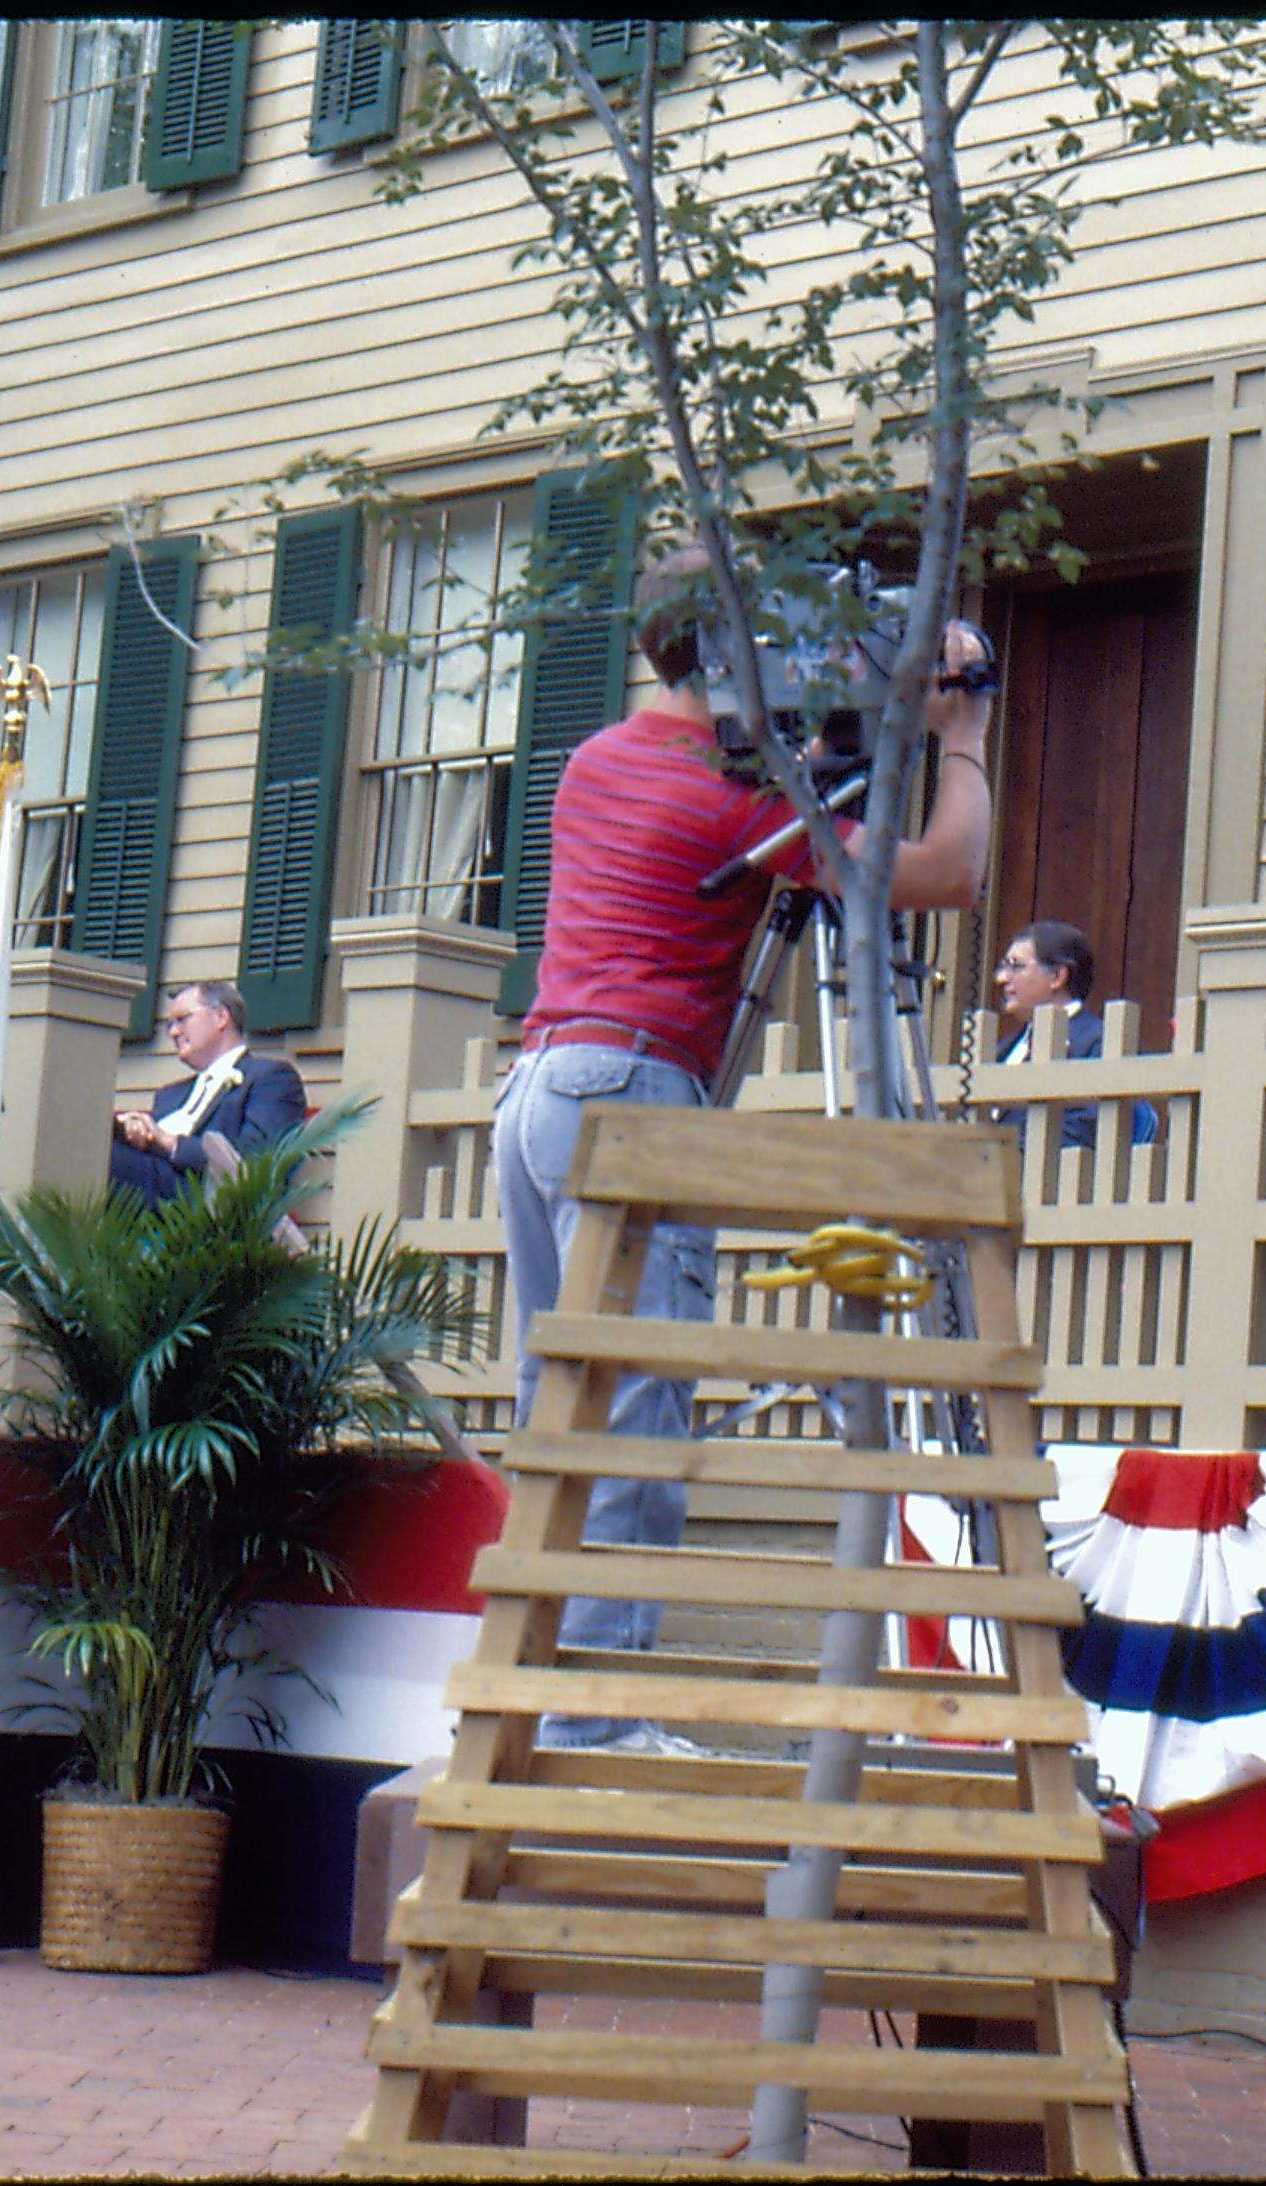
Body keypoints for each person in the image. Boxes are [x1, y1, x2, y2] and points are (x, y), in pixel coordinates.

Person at [497, 548, 996, 1751]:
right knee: (636, 1414)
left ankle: (535, 1697)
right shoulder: (737, 803)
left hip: (539, 1090)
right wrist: (962, 731)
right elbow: (948, 872)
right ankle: (595, 1725)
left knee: (564, 1411)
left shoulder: (599, 760)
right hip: (630, 1090)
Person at [108, 980, 307, 1205]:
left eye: (182, 1019)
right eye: (169, 1025)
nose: (173, 1032)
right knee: (89, 1138)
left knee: (97, 1157)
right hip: (146, 1191)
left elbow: (255, 1163)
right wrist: (130, 1128)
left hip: (205, 1204)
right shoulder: (170, 1095)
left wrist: (170, 1142)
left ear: (221, 1016)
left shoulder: (270, 1078)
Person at [991, 919, 1156, 1149]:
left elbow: (1086, 1129)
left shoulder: (1101, 1043)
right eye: (1003, 967)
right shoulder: (1004, 1048)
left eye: (1016, 966)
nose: (1001, 978)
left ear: (1057, 976)